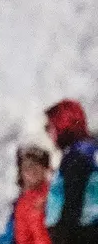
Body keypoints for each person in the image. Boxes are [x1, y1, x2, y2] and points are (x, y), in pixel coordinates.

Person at [43, 99, 98, 244]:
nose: (48, 132)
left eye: (49, 126)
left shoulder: (77, 156)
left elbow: (73, 202)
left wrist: (63, 235)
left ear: (63, 124)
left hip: (81, 233)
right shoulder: (88, 151)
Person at [0, 144, 53, 244]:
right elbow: (11, 235)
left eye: (37, 166)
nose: (32, 171)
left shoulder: (51, 196)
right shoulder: (21, 202)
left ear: (45, 169)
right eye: (27, 167)